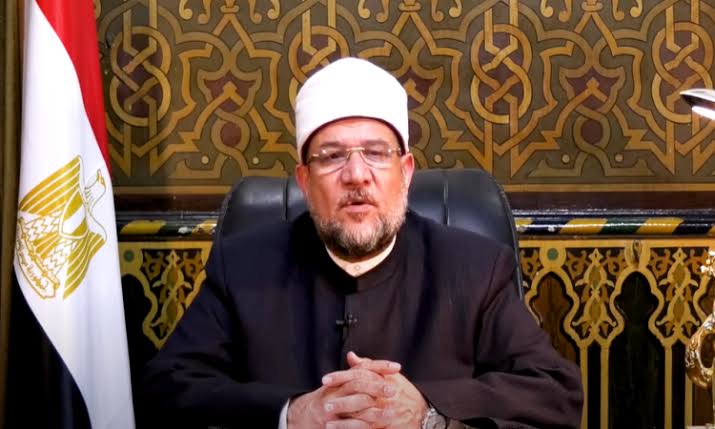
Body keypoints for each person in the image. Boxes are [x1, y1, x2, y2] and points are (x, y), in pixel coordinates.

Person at [140, 57, 583, 429]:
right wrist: (291, 413)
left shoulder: (474, 268)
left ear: (405, 172)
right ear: (304, 181)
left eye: (376, 153)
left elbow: (554, 392)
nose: (356, 175)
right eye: (332, 156)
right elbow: (165, 387)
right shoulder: (242, 266)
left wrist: (426, 411)